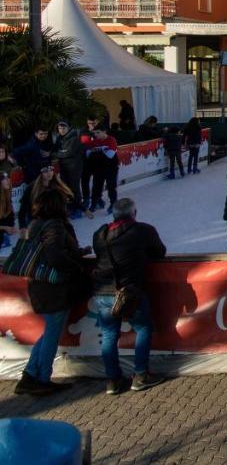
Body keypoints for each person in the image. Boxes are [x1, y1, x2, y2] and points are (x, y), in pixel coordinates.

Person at [89, 198, 166, 394]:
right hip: (130, 291)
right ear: (134, 213)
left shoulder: (100, 234)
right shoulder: (143, 230)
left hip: (103, 290)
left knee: (109, 334)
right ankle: (141, 374)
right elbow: (159, 252)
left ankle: (113, 380)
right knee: (143, 328)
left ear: (114, 214)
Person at [14, 190, 84, 397]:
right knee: (51, 336)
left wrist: (76, 253)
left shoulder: (35, 225)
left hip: (39, 285)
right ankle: (42, 379)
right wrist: (75, 267)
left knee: (48, 334)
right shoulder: (54, 225)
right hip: (53, 288)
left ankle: (29, 376)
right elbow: (54, 255)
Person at [51, 121, 86, 218]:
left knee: (74, 187)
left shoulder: (74, 138)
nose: (61, 130)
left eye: (63, 128)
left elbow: (68, 153)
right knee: (66, 188)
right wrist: (59, 152)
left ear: (68, 128)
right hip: (64, 167)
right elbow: (56, 150)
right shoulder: (59, 138)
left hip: (74, 167)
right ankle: (70, 207)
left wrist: (57, 154)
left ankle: (78, 208)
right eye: (60, 128)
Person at [84, 127, 120, 216]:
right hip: (98, 167)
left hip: (111, 167)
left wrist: (100, 149)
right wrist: (93, 151)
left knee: (111, 186)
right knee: (96, 186)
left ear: (104, 131)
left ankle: (113, 204)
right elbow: (87, 153)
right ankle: (94, 203)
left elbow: (110, 155)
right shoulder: (94, 141)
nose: (95, 135)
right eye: (94, 133)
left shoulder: (111, 140)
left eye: (98, 132)